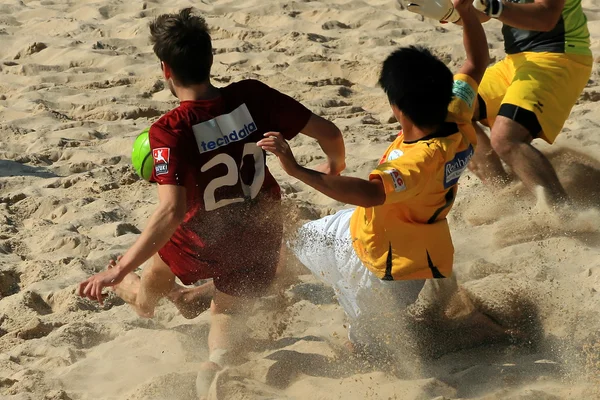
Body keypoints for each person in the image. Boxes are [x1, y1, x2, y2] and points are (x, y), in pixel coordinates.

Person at [77, 7, 345, 396]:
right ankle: (214, 366)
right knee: (227, 316)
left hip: (199, 242)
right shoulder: (252, 95)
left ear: (166, 70)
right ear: (211, 58)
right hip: (259, 235)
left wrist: (116, 272)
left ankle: (137, 294)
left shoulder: (168, 131)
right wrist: (333, 167)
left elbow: (169, 212)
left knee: (155, 271)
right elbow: (329, 133)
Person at [257, 0, 510, 355]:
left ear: (397, 107)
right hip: (359, 230)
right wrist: (467, 13)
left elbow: (370, 192)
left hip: (390, 269)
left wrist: (297, 170)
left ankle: (471, 329)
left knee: (365, 351)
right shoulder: (457, 110)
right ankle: (217, 296)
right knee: (292, 246)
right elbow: (476, 62)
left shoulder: (421, 160)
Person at [404, 0, 593, 207]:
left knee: (505, 139)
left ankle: (563, 213)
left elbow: (546, 17)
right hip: (515, 61)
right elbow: (481, 11)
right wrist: (454, 13)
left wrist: (493, 7)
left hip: (560, 57)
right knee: (446, 112)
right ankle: (506, 196)